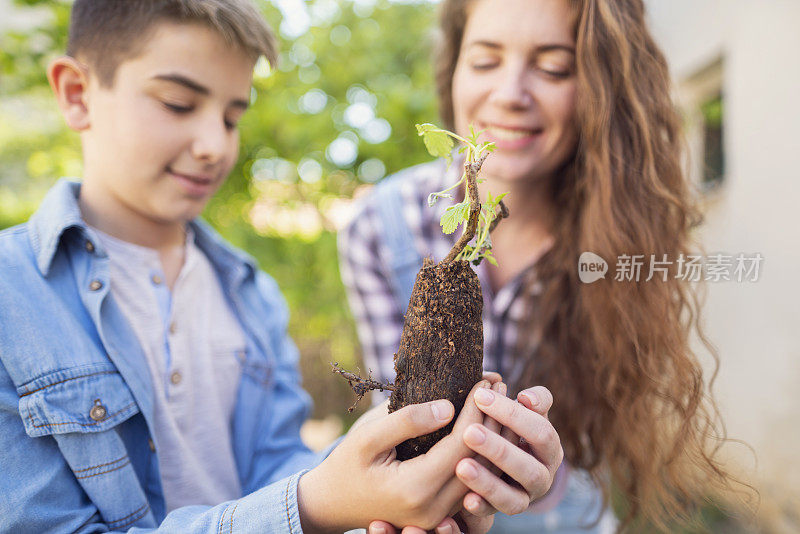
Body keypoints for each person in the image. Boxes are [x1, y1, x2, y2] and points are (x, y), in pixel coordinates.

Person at [0, 1, 565, 532]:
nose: (213, 145)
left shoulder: (249, 295)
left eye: (231, 116)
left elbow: (279, 468)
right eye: (178, 103)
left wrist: (393, 470)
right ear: (77, 94)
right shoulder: (13, 297)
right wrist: (315, 503)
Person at [340, 0, 737, 532]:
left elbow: (593, 436)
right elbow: (401, 405)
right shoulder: (380, 224)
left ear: (601, 90)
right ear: (453, 69)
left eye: (553, 68)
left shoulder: (621, 242)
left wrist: (542, 465)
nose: (510, 94)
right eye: (484, 61)